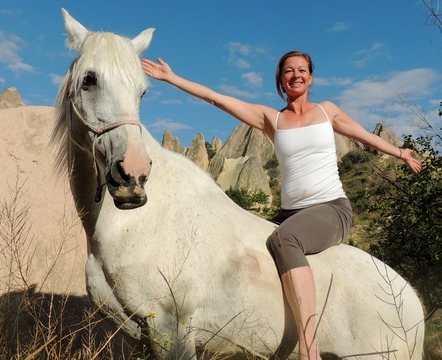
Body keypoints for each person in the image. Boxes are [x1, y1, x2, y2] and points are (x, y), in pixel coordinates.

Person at [143, 51, 422, 360]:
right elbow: (216, 98)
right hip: (290, 214)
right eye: (288, 71)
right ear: (280, 80)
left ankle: (308, 346)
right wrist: (171, 78)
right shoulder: (271, 119)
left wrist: (400, 153)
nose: (295, 75)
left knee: (284, 239)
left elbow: (364, 136)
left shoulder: (327, 111)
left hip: (331, 209)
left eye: (302, 70)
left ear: (311, 77)